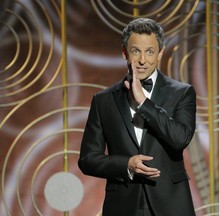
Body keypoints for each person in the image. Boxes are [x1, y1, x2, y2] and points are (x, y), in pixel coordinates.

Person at [78, 18, 197, 216]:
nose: (142, 60)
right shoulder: (103, 100)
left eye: (149, 51)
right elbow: (88, 159)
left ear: (159, 53)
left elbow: (180, 139)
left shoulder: (182, 93)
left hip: (171, 205)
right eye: (136, 51)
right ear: (124, 52)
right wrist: (126, 164)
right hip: (122, 204)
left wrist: (144, 103)